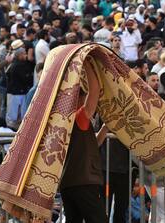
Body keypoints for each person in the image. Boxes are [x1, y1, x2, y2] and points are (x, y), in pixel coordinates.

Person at [59, 60, 108, 223]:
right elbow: (95, 91)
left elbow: (95, 143)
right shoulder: (79, 116)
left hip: (68, 183)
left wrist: (106, 127)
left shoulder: (63, 120)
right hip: (84, 181)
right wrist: (88, 65)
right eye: (83, 95)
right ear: (78, 99)